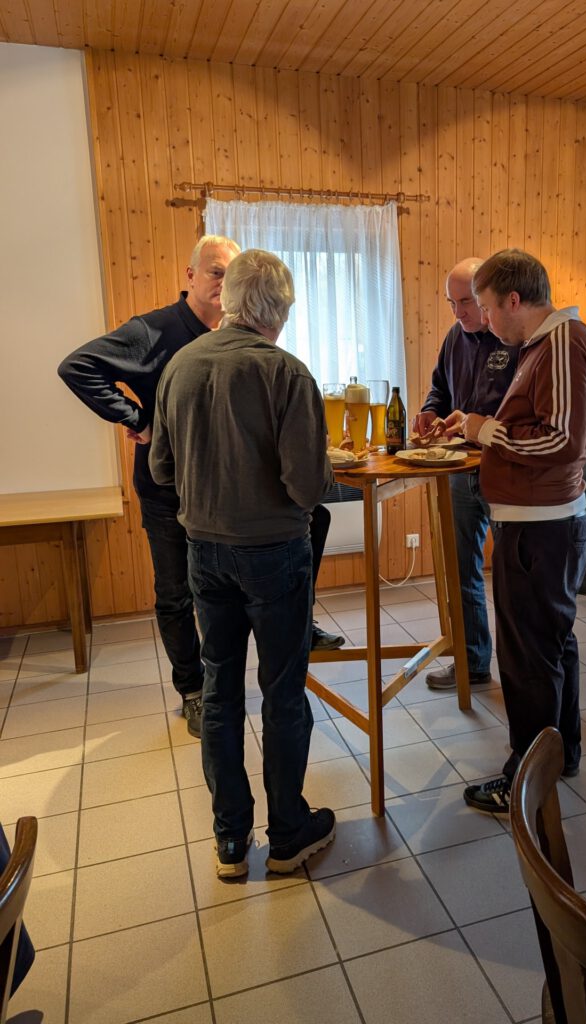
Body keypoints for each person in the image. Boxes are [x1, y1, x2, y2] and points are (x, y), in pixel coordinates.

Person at [58, 236, 343, 739]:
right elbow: (77, 366)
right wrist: (139, 420)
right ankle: (193, 689)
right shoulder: (153, 332)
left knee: (310, 523)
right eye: (214, 271)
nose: (222, 281)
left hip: (228, 495)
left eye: (230, 274)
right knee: (176, 593)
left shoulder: (249, 347)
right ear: (190, 276)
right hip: (172, 489)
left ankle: (292, 623)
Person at [150, 248, 336, 878]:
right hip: (275, 553)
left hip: (203, 551)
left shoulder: (179, 366)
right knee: (283, 691)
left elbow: (162, 469)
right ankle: (287, 834)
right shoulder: (286, 373)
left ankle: (230, 840)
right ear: (278, 310)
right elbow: (307, 486)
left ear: (228, 300)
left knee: (220, 690)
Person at [443, 249, 586, 814]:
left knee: (527, 660)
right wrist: (479, 426)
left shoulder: (561, 343)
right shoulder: (545, 344)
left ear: (514, 300)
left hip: (542, 529)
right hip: (543, 523)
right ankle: (560, 755)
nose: (485, 321)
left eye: (488, 308)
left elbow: (561, 440)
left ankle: (524, 779)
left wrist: (485, 431)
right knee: (551, 646)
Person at [412, 257, 519, 690]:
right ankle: (473, 664)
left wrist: (479, 423)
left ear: (487, 298)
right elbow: (440, 387)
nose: (458, 313)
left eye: (467, 302)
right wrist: (429, 411)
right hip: (459, 469)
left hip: (504, 471)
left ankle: (520, 674)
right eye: (451, 303)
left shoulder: (514, 337)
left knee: (512, 576)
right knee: (461, 571)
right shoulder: (454, 336)